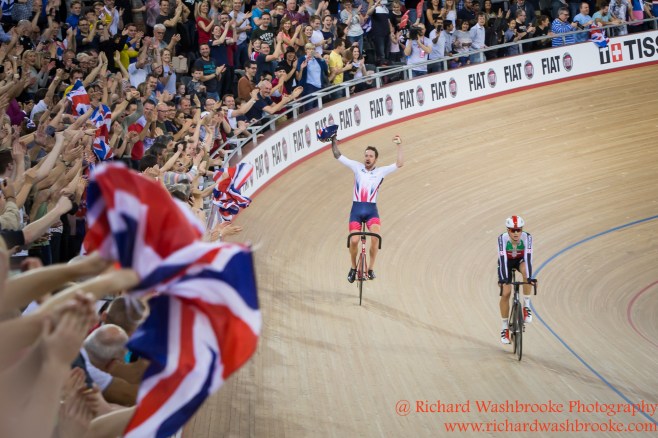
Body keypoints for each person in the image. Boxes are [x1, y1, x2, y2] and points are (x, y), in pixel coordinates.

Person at [328, 130, 404, 283]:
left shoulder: (381, 171)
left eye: (371, 156)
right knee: (354, 241)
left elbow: (399, 163)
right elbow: (337, 155)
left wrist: (399, 146)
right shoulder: (357, 167)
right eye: (366, 155)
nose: (367, 158)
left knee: (376, 237)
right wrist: (333, 140)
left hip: (371, 212)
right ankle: (353, 268)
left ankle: (370, 269)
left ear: (375, 159)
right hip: (356, 211)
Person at [498, 216, 536, 345]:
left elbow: (528, 257)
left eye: (518, 230)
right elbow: (502, 259)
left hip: (520, 261)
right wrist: (504, 279)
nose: (516, 233)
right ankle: (504, 327)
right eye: (512, 230)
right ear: (508, 230)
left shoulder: (527, 237)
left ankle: (526, 305)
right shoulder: (502, 238)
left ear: (522, 230)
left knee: (526, 272)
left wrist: (529, 278)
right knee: (506, 293)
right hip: (506, 264)